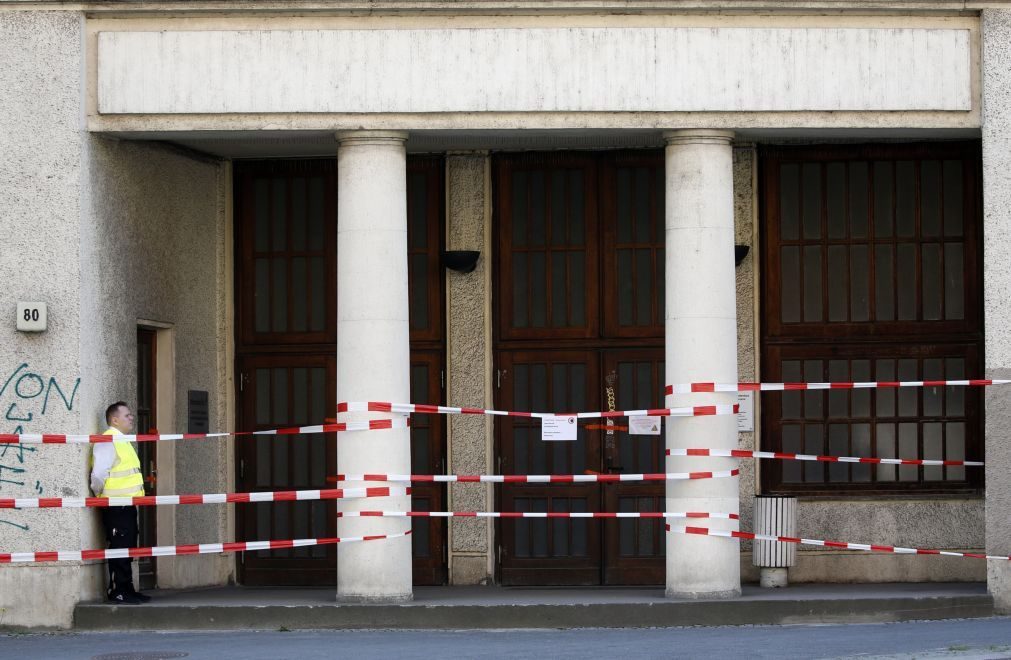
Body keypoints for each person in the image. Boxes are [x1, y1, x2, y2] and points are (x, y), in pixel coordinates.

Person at [90, 401, 151, 605]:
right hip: (115, 504)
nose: (131, 417)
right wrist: (101, 494)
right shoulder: (108, 439)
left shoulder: (123, 441)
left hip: (127, 503)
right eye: (127, 415)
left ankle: (128, 589)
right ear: (114, 419)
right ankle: (119, 591)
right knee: (120, 546)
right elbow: (98, 474)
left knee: (128, 546)